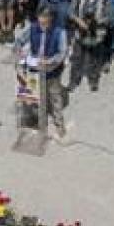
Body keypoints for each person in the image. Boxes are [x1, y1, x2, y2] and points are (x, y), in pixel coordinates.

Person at [20, 8, 69, 139]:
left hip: (52, 70)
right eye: (40, 19)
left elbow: (62, 52)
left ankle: (59, 124)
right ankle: (36, 122)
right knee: (31, 96)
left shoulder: (60, 32)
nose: (42, 23)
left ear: (51, 20)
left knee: (54, 97)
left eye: (45, 20)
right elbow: (19, 41)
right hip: (34, 68)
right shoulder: (31, 28)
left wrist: (50, 61)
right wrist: (21, 52)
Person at [66, 0, 110, 93]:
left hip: (97, 35)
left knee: (95, 59)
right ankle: (73, 81)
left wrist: (97, 21)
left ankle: (93, 80)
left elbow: (110, 17)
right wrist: (79, 21)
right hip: (80, 33)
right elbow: (70, 12)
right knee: (76, 58)